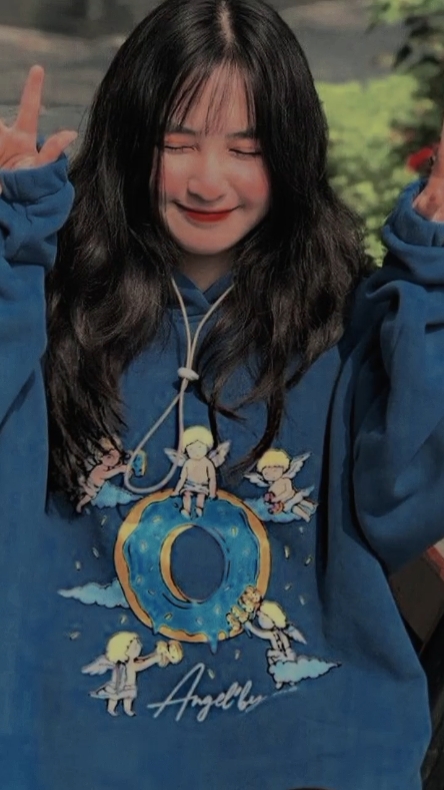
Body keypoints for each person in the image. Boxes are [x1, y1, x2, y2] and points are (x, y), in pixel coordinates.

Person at [0, 0, 443, 788]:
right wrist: (11, 252)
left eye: (248, 148)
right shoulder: (51, 309)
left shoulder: (346, 321)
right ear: (131, 141)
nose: (209, 180)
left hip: (320, 761)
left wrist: (429, 281)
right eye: (177, 144)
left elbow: (404, 507)